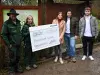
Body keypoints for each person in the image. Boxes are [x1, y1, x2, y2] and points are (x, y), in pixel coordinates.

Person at [1, 8, 23, 75]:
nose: (13, 16)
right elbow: (3, 34)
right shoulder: (6, 23)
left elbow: (20, 33)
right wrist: (8, 44)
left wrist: (21, 40)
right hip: (11, 45)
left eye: (14, 14)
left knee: (18, 57)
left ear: (16, 15)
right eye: (11, 14)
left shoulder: (18, 22)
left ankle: (17, 68)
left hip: (18, 44)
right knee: (12, 58)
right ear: (9, 15)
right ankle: (11, 70)